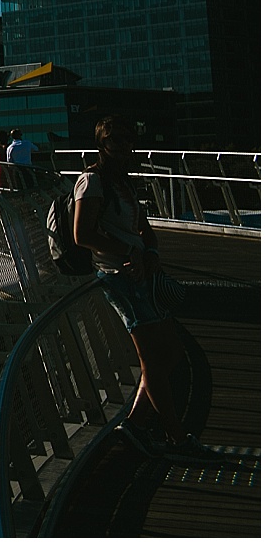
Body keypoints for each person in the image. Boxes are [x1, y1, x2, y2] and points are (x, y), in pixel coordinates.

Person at [73, 116, 220, 461]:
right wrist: (128, 253)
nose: (122, 147)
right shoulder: (91, 182)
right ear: (102, 145)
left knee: (170, 352)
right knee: (152, 358)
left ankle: (136, 425)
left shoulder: (123, 184)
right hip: (119, 278)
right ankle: (176, 437)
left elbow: (145, 230)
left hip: (142, 277)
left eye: (127, 140)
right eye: (115, 141)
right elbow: (83, 235)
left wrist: (150, 253)